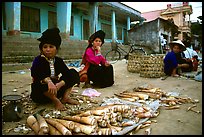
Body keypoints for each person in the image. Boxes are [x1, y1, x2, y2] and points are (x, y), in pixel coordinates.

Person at [30, 28, 80, 110]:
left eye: (51, 47)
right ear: (41, 49)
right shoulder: (38, 60)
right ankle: (56, 101)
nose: (48, 49)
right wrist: (48, 81)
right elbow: (36, 74)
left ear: (56, 49)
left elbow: (67, 73)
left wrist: (60, 84)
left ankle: (65, 97)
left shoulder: (59, 61)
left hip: (56, 90)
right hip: (42, 94)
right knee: (37, 83)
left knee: (73, 72)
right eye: (45, 47)